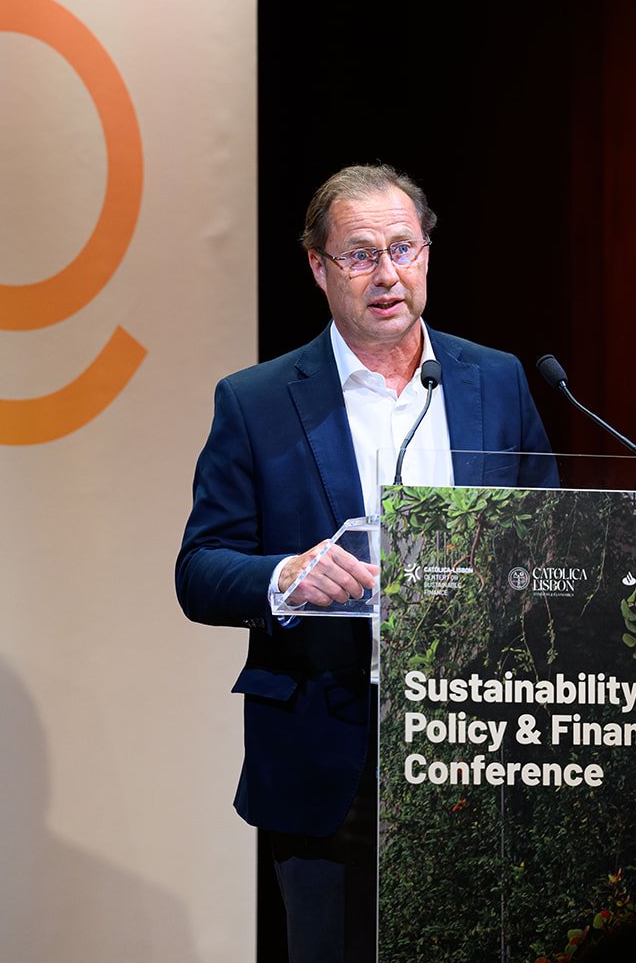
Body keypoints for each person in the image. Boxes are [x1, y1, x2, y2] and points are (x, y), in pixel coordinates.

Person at [176, 163, 557, 963]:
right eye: (358, 254)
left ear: (426, 254)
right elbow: (201, 568)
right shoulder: (257, 399)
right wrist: (286, 576)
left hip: (475, 742)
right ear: (316, 267)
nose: (386, 274)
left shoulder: (495, 378)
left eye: (402, 248)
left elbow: (550, 541)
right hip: (328, 747)